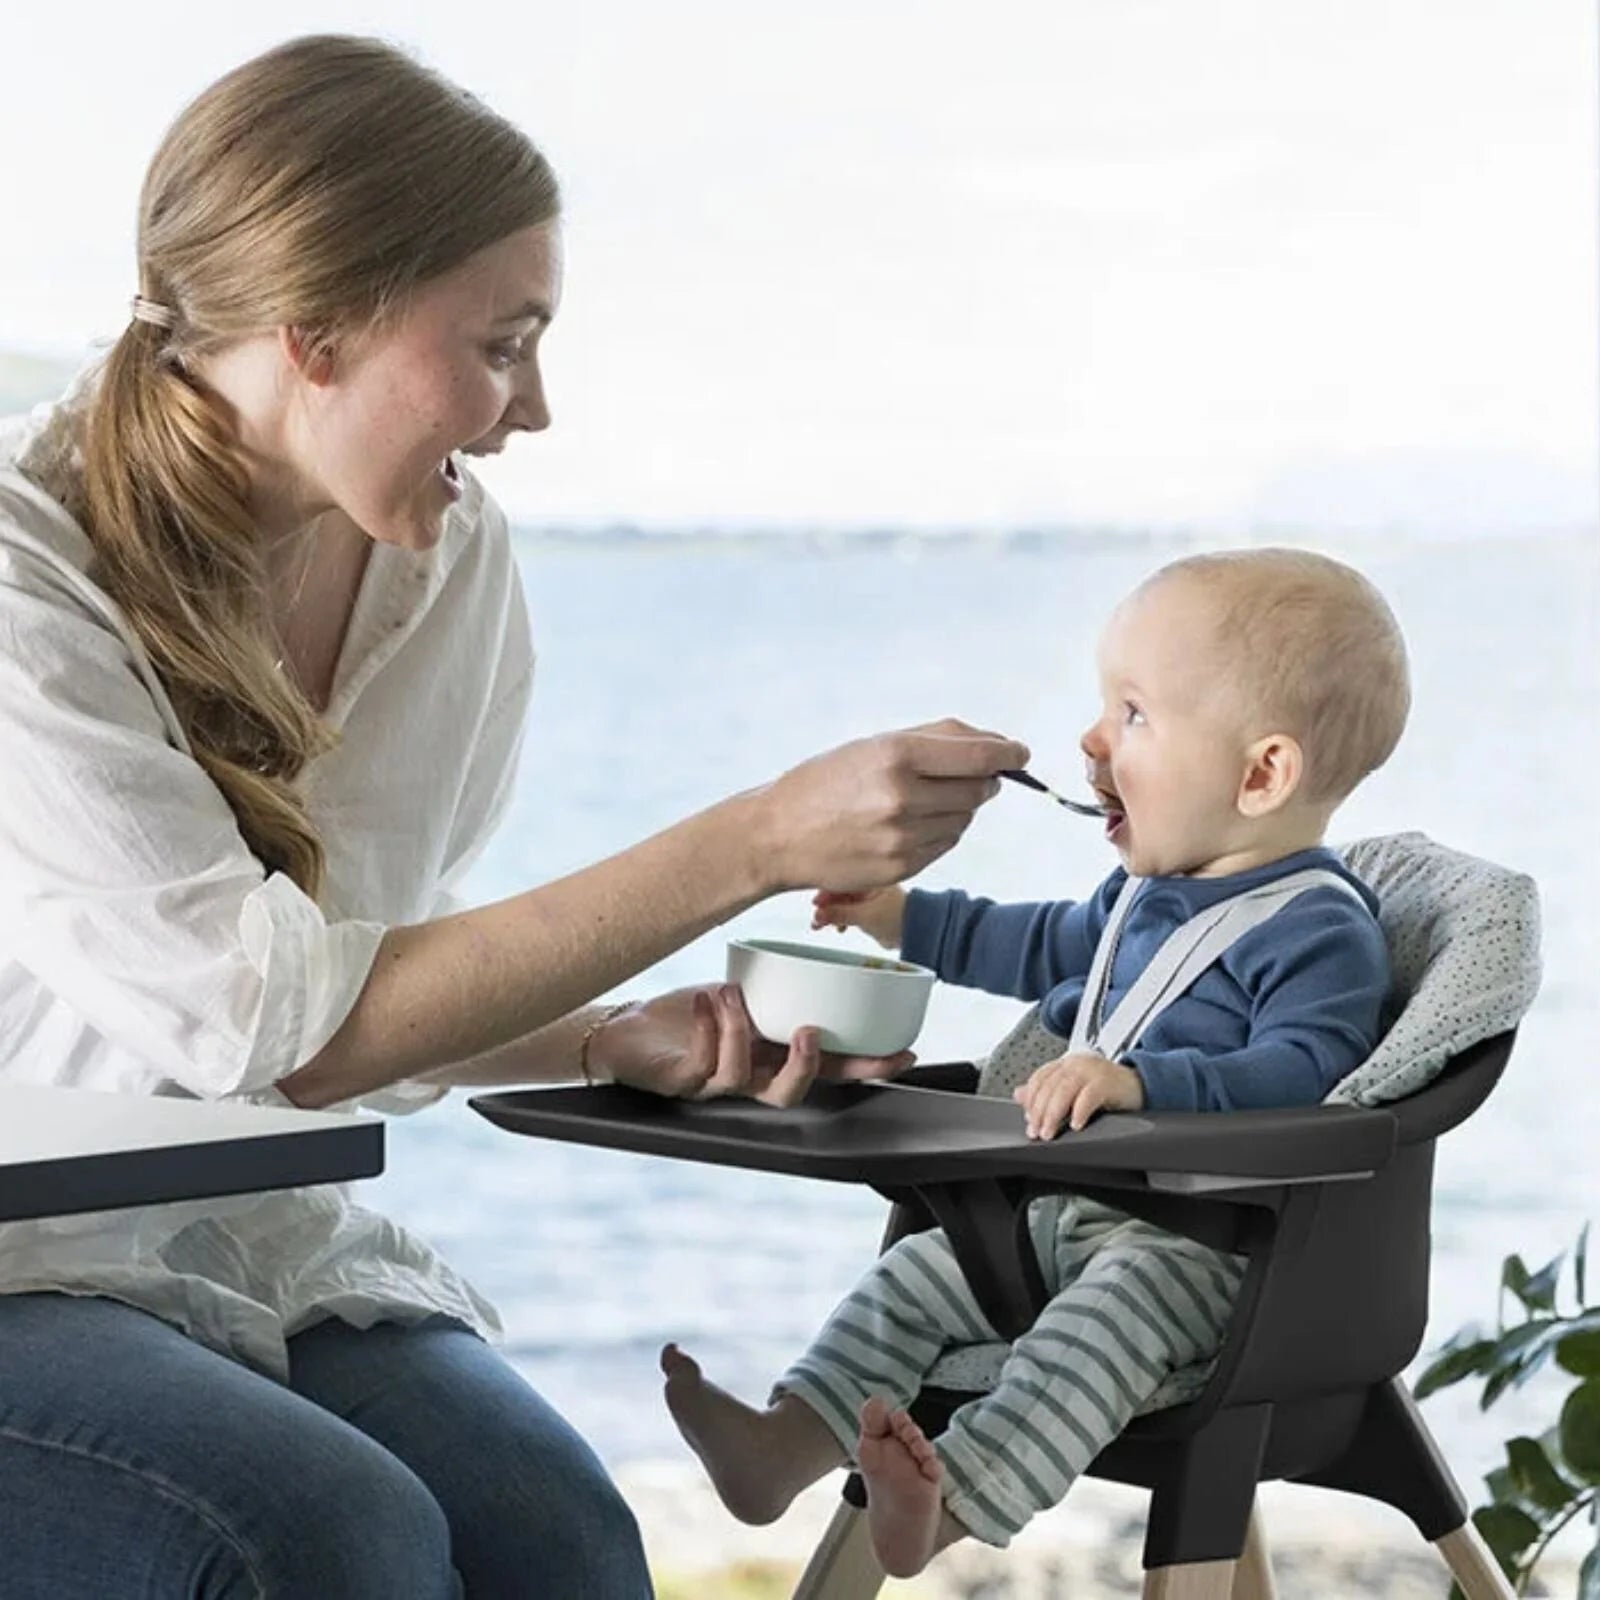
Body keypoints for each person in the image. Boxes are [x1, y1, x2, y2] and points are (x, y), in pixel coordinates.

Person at [0, 34, 1030, 1600]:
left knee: (561, 1534)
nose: (533, 409)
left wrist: (603, 1038)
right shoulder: (28, 568)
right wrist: (759, 839)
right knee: (330, 1536)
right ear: (315, 329)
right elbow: (267, 1026)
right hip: (20, 1251)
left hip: (234, 1233)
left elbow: (359, 980)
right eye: (501, 344)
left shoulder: (448, 567)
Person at [660, 546, 1411, 1577]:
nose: (1092, 739)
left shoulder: (1318, 930)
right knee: (918, 1273)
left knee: (1105, 1319)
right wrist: (900, 918)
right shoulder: (1143, 896)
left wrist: (1142, 1085)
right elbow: (1037, 943)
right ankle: (782, 1445)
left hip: (1208, 1250)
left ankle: (952, 1503)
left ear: (1260, 775)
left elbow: (1304, 1072)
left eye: (1133, 715)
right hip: (1067, 1214)